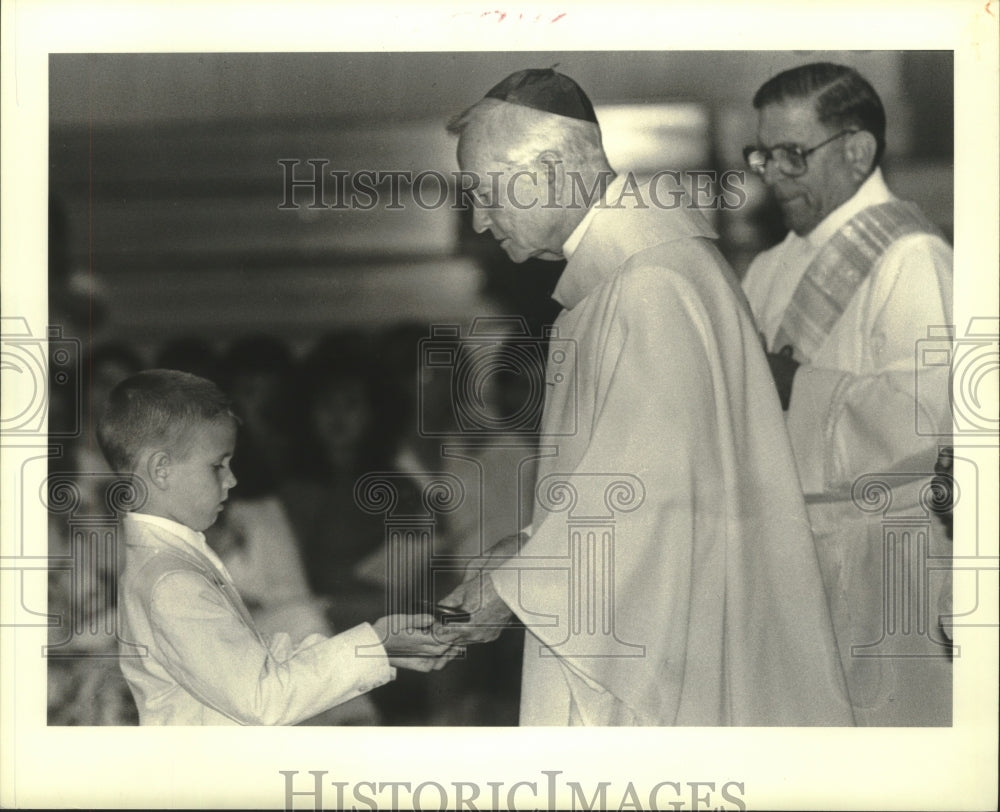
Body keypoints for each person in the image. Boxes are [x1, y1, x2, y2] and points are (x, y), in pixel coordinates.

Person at [438, 68, 854, 726]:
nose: (481, 221)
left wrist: (516, 586)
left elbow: (653, 502)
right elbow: (625, 479)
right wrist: (526, 547)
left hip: (677, 659)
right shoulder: (632, 276)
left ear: (548, 171)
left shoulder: (650, 284)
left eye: (486, 195)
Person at [741, 62, 953, 725]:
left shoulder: (913, 258)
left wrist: (795, 387)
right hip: (788, 563)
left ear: (857, 151)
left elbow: (933, 421)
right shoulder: (768, 268)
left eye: (792, 155)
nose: (771, 173)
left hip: (885, 569)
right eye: (763, 154)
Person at [97, 368, 457, 725]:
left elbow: (255, 655)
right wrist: (376, 647)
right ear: (161, 470)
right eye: (217, 466)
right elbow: (261, 698)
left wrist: (379, 643)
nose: (232, 479)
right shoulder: (171, 581)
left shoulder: (174, 557)